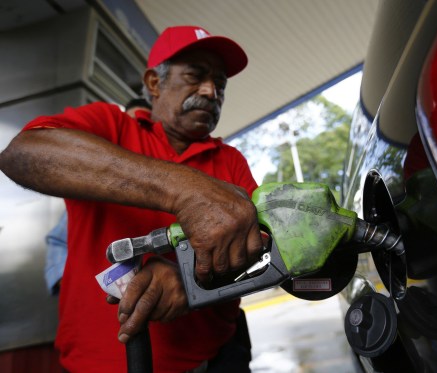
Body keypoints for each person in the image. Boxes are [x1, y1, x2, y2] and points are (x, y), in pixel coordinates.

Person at [1, 25, 262, 372]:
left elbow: (262, 244)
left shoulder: (230, 161)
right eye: (196, 75)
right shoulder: (112, 126)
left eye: (220, 84)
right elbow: (23, 153)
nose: (211, 91)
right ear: (154, 83)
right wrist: (185, 190)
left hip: (214, 360)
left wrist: (194, 282)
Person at [44, 98, 153, 296]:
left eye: (142, 124)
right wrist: (69, 282)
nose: (134, 132)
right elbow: (58, 239)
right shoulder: (93, 187)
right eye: (129, 123)